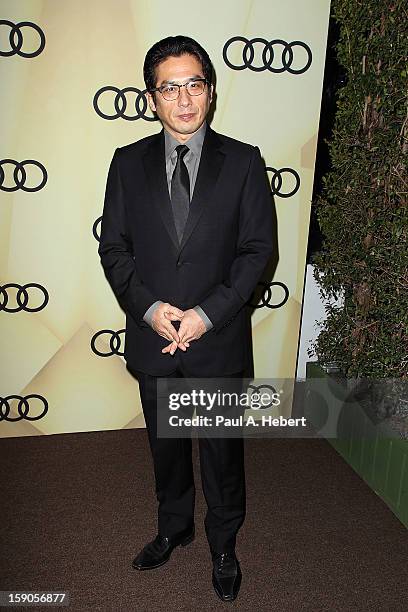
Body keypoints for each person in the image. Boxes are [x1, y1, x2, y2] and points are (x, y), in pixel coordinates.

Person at [98, 35, 275, 602]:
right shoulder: (126, 164)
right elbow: (115, 250)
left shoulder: (244, 162)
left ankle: (224, 542)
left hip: (215, 340)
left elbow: (257, 253)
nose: (184, 99)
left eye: (194, 84)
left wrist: (206, 315)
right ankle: (174, 526)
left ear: (211, 91)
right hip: (154, 340)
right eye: (170, 87)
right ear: (152, 97)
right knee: (165, 446)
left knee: (222, 453)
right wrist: (150, 310)